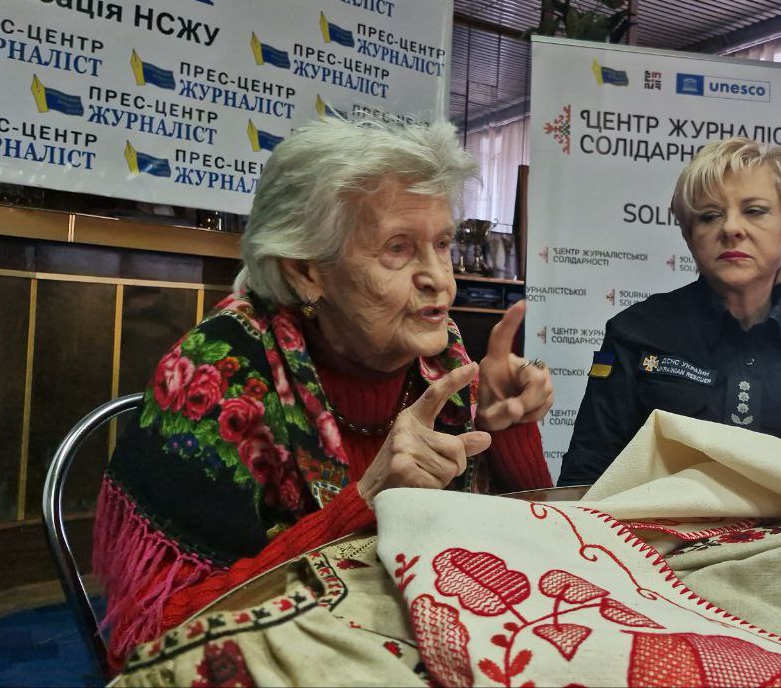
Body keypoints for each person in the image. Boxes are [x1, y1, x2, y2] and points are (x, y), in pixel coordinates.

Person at [93, 118, 554, 668]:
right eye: (398, 249)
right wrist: (367, 499)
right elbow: (156, 638)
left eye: (442, 243)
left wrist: (505, 427)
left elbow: (529, 549)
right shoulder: (216, 376)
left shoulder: (442, 360)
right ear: (306, 271)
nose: (440, 279)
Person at [559, 137, 781, 486]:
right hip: (662, 523)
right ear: (689, 237)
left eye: (754, 211)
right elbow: (585, 478)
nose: (731, 228)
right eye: (709, 216)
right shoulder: (634, 335)